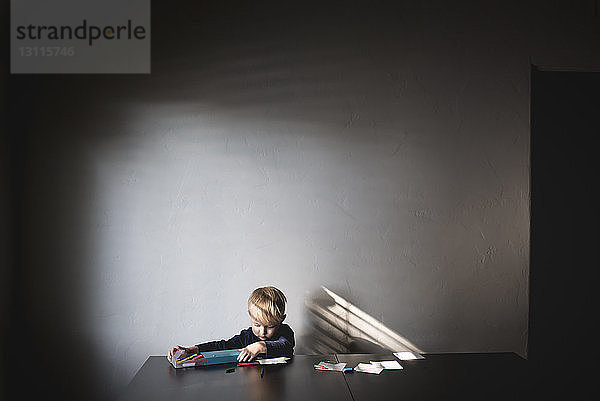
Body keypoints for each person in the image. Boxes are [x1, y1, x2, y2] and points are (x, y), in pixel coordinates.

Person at [167, 286, 295, 362]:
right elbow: (223, 345)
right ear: (250, 317)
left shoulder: (285, 332)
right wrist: (192, 349)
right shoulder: (247, 336)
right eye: (257, 325)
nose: (262, 332)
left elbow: (284, 346)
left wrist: (261, 346)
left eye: (270, 326)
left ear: (281, 320)